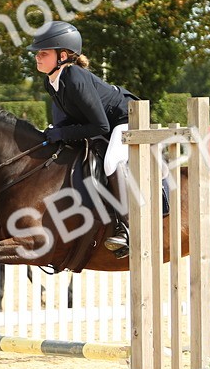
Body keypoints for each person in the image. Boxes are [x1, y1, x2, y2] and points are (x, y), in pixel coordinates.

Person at [28, 21, 138, 257]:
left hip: (127, 118)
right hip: (106, 125)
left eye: (43, 53)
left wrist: (62, 133)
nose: (38, 57)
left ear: (63, 55)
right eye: (38, 53)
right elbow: (66, 122)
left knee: (111, 163)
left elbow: (100, 125)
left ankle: (127, 227)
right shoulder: (51, 81)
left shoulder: (75, 77)